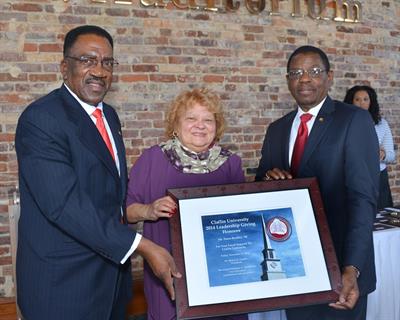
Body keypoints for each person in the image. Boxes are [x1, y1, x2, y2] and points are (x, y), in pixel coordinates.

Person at [15, 25, 180, 320]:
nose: (100, 71)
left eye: (107, 62)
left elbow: (108, 195)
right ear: (65, 67)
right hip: (64, 287)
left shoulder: (109, 115)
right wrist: (142, 246)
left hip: (112, 281)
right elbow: (64, 205)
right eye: (88, 60)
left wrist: (143, 210)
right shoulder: (41, 119)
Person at [255, 45, 380, 320]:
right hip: (295, 270)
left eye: (314, 71)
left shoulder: (353, 120)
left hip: (341, 273)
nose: (305, 79)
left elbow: (363, 199)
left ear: (329, 76)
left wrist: (352, 268)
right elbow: (259, 187)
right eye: (296, 72)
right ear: (288, 79)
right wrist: (267, 178)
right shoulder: (276, 130)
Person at [126, 88, 247, 320]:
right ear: (176, 123)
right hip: (168, 272)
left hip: (222, 273)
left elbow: (241, 221)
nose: (200, 125)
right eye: (191, 118)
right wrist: (149, 210)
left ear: (217, 126)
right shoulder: (153, 159)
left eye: (207, 119)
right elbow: (128, 211)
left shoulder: (231, 163)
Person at [344, 85, 396, 209]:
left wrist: (383, 154)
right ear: (351, 101)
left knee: (382, 215)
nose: (361, 103)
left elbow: (391, 155)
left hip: (378, 177)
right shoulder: (343, 123)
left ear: (371, 102)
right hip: (352, 177)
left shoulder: (381, 124)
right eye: (357, 99)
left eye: (365, 99)